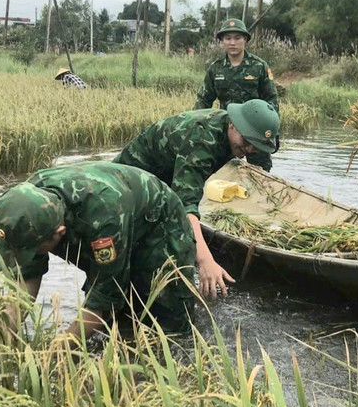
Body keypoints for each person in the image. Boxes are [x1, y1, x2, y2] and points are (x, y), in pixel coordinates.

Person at [0, 161, 197, 341]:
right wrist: (5, 330)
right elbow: (26, 277)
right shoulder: (24, 210)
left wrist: (61, 348)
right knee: (117, 324)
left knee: (167, 323)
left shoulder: (104, 216)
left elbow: (106, 295)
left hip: (159, 223)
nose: (26, 256)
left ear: (58, 234)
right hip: (114, 218)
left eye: (31, 250)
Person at [114, 99, 280, 299]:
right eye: (246, 142)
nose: (249, 150)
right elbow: (186, 206)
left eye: (256, 146)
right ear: (232, 124)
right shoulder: (202, 139)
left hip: (163, 183)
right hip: (128, 184)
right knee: (146, 253)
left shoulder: (234, 135)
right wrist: (204, 260)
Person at [194, 18, 279, 171]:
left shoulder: (259, 66)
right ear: (222, 41)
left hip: (255, 131)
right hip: (228, 131)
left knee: (260, 174)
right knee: (222, 172)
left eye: (237, 38)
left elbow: (272, 100)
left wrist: (272, 133)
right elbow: (203, 100)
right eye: (227, 38)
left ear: (245, 39)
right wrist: (197, 127)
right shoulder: (216, 68)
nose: (232, 42)